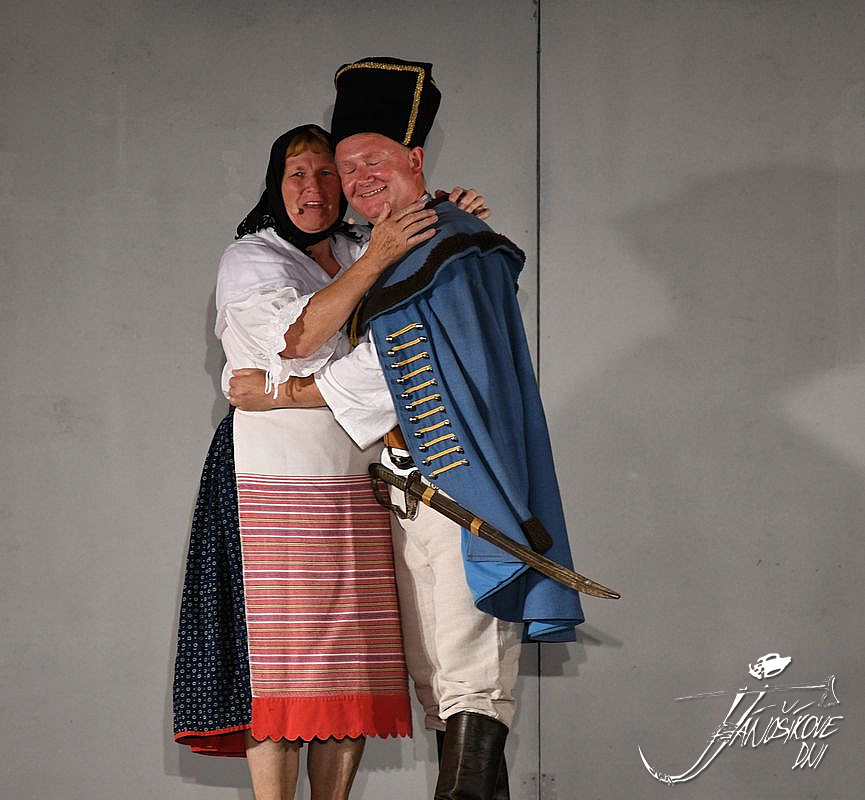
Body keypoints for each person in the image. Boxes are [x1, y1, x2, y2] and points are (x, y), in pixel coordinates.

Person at [229, 59, 585, 800]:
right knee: (439, 678)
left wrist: (289, 394)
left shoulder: (448, 242)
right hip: (404, 493)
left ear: (415, 159)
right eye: (346, 166)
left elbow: (405, 365)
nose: (356, 178)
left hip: (462, 485)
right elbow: (333, 333)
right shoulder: (383, 245)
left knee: (471, 676)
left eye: (374, 161)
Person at [172, 122, 489, 800]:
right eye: (297, 173)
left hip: (357, 477)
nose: (313, 188)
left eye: (326, 174)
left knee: (350, 658)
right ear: (274, 184)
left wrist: (445, 218)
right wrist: (375, 264)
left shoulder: (357, 245)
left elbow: (405, 348)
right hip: (274, 476)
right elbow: (296, 338)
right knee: (283, 662)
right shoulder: (252, 258)